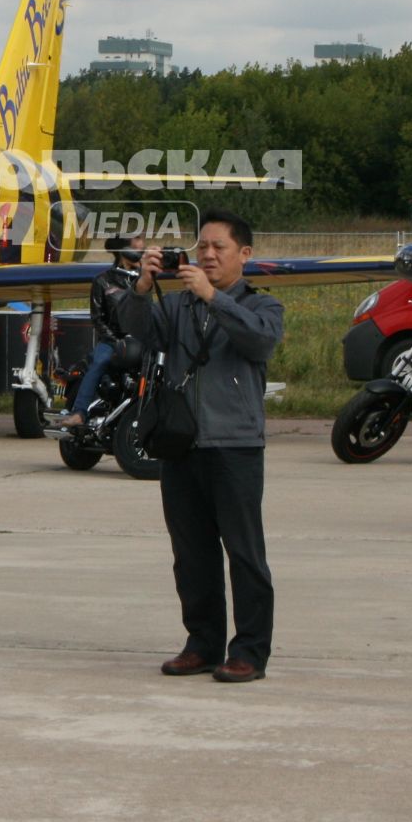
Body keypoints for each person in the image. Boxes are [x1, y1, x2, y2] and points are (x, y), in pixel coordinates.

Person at [117, 211, 283, 684]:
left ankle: (250, 650)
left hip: (236, 446)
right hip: (182, 446)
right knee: (192, 554)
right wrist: (143, 288)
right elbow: (132, 333)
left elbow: (260, 342)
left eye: (219, 248)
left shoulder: (263, 305)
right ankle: (202, 643)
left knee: (245, 553)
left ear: (244, 255)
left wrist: (214, 299)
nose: (207, 255)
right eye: (202, 246)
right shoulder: (178, 306)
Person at [53, 235, 144, 429]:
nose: (140, 249)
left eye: (142, 245)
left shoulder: (145, 279)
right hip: (113, 341)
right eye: (136, 245)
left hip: (141, 340)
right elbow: (97, 318)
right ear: (123, 251)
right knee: (100, 362)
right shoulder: (103, 281)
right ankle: (79, 412)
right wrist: (115, 340)